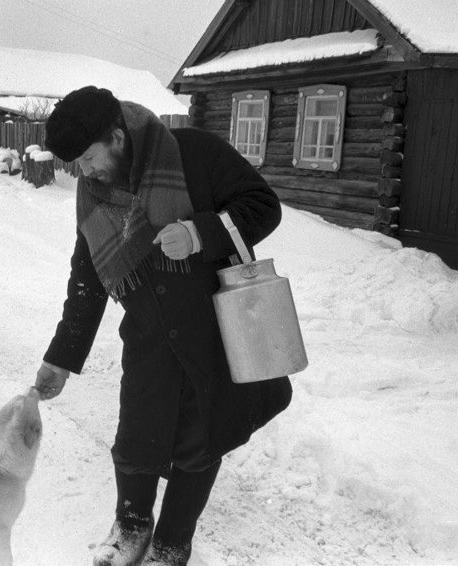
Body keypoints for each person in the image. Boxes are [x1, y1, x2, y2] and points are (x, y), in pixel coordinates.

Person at [34, 86, 292, 566]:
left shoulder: (194, 152)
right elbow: (88, 273)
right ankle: (131, 524)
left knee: (199, 439)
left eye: (88, 158)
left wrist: (200, 232)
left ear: (116, 136)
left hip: (212, 331)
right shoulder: (95, 193)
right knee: (136, 436)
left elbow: (263, 204)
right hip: (149, 336)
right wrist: (62, 357)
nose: (83, 172)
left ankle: (173, 539)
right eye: (76, 165)